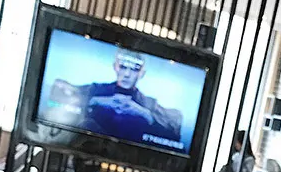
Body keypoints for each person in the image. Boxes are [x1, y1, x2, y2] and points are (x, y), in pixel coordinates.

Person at [49, 49, 183, 146]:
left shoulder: (149, 103)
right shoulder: (96, 90)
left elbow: (174, 132)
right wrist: (95, 101)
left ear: (142, 73)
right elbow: (58, 89)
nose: (127, 74)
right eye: (123, 67)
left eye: (134, 69)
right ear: (115, 67)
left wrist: (144, 114)